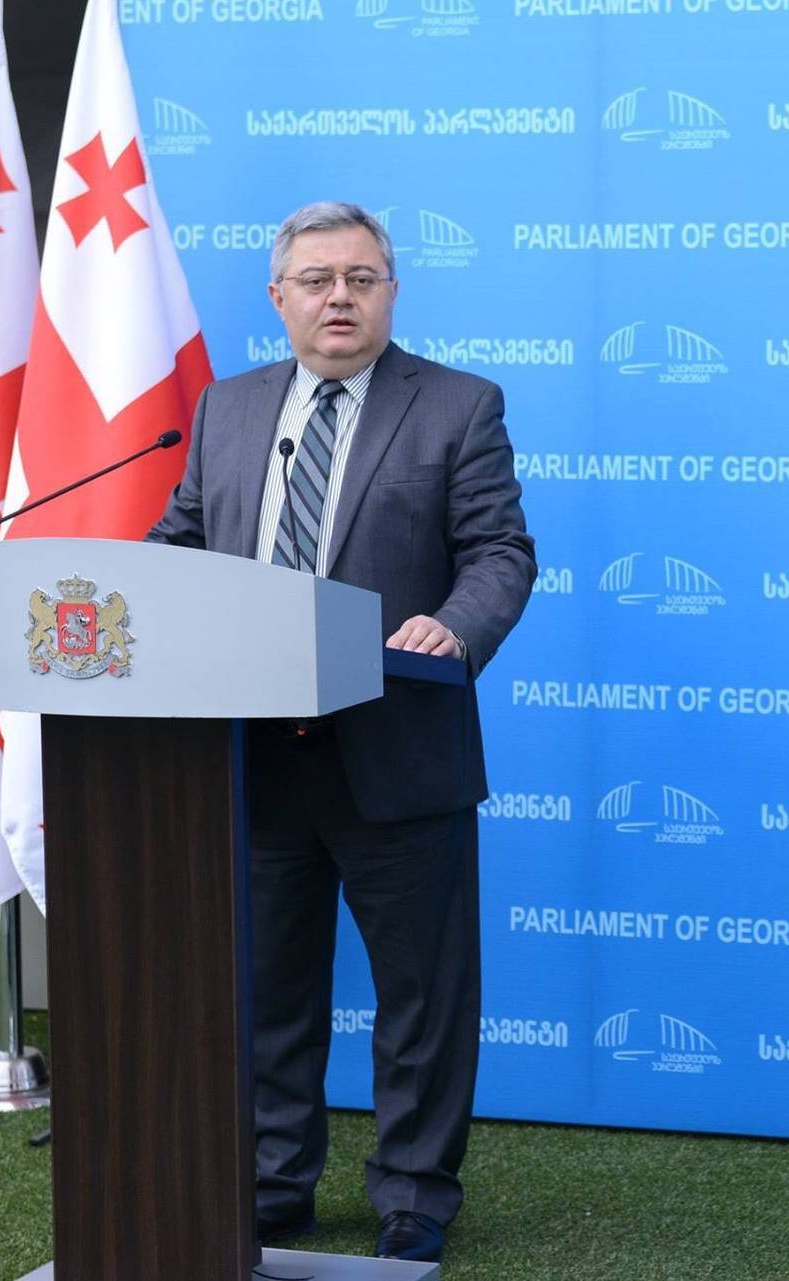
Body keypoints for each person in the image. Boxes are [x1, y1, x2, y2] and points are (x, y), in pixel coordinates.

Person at [147, 200, 536, 1265]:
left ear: (391, 292)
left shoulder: (457, 406)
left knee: (422, 997)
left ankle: (415, 1193)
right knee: (270, 991)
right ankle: (275, 1183)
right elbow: (182, 542)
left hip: (397, 747)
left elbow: (501, 553)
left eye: (361, 278)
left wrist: (452, 629)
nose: (339, 297)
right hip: (252, 756)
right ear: (279, 298)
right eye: (317, 279)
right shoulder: (226, 410)